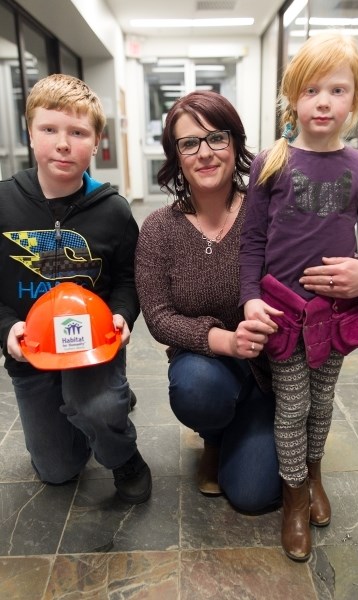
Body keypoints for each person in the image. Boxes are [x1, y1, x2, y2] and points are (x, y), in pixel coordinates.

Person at [134, 89, 358, 516]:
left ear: (235, 143)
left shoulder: (270, 204)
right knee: (197, 389)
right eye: (189, 143)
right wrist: (227, 342)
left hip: (278, 363)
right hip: (210, 363)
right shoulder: (160, 228)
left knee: (254, 496)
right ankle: (214, 437)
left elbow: (325, 249)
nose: (205, 153)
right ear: (175, 156)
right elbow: (158, 317)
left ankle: (249, 430)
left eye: (217, 138)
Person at [239, 33, 358, 561]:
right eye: (312, 90)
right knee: (293, 405)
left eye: (338, 89)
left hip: (336, 315)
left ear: (354, 100)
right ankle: (292, 499)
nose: (324, 101)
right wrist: (248, 299)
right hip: (283, 312)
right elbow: (253, 244)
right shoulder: (271, 162)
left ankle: (313, 476)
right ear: (293, 98)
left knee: (323, 402)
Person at [0, 74, 151, 504]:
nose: (63, 144)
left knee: (96, 408)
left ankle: (122, 452)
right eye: (49, 129)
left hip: (92, 347)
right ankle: (96, 412)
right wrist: (6, 328)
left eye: (78, 132)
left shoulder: (114, 210)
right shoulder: (4, 204)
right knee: (58, 470)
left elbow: (126, 278)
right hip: (31, 352)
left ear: (97, 140)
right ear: (30, 133)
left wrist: (122, 313)